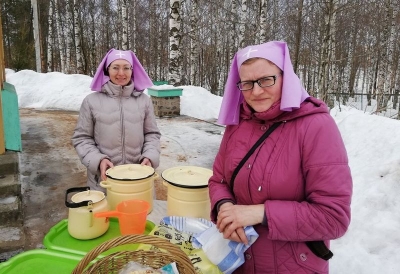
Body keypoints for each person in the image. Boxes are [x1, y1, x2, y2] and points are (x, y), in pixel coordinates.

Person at [208, 41, 352, 273]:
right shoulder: (239, 122)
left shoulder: (316, 126)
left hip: (292, 266)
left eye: (266, 80)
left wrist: (258, 212)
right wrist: (225, 207)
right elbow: (218, 180)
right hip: (237, 261)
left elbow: (333, 217)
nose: (255, 91)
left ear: (286, 77)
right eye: (247, 83)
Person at [72, 48, 161, 191]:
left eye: (126, 68)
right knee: (107, 213)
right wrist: (99, 160)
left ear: (132, 71)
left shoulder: (144, 101)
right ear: (107, 70)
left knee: (140, 213)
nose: (121, 73)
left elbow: (152, 134)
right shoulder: (91, 101)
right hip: (104, 181)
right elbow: (82, 138)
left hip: (139, 178)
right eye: (115, 68)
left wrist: (149, 157)